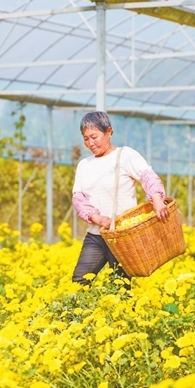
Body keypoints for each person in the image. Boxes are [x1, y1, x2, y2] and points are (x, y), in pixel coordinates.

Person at [71, 111, 168, 285]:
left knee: (120, 285)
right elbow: (79, 199)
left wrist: (158, 201)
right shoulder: (84, 165)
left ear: (108, 131)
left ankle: (124, 312)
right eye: (86, 139)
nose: (90, 143)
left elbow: (148, 177)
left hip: (122, 236)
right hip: (96, 235)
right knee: (79, 281)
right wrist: (97, 218)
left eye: (94, 137)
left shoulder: (125, 155)